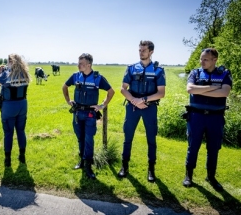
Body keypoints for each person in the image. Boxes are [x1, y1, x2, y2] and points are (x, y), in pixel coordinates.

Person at [182, 48, 232, 191]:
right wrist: (212, 87)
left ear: (214, 60)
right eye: (201, 58)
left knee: (213, 148)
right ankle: (188, 176)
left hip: (215, 118)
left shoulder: (224, 73)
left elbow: (225, 92)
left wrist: (202, 89)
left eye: (205, 59)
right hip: (196, 116)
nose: (201, 61)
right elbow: (190, 89)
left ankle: (211, 176)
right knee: (193, 146)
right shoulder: (195, 73)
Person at [118, 40, 166, 182]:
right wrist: (134, 101)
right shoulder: (132, 68)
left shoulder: (158, 70)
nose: (141, 52)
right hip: (133, 107)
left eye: (144, 50)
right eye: (139, 50)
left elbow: (161, 93)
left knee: (151, 138)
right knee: (128, 137)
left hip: (149, 108)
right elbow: (123, 88)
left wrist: (143, 100)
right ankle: (124, 166)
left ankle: (151, 170)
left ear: (151, 52)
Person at [62, 53, 115, 179]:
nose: (78, 65)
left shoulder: (97, 78)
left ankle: (88, 166)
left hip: (90, 114)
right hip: (77, 113)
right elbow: (64, 87)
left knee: (89, 139)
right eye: (78, 62)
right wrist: (68, 100)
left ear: (89, 65)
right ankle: (81, 161)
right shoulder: (75, 76)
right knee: (80, 138)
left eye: (81, 63)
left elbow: (111, 91)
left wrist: (102, 105)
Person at [0, 53, 32, 167]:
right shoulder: (25, 73)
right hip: (23, 105)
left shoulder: (6, 73)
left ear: (11, 61)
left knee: (8, 133)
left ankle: (7, 159)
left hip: (9, 106)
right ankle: (22, 156)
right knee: (21, 131)